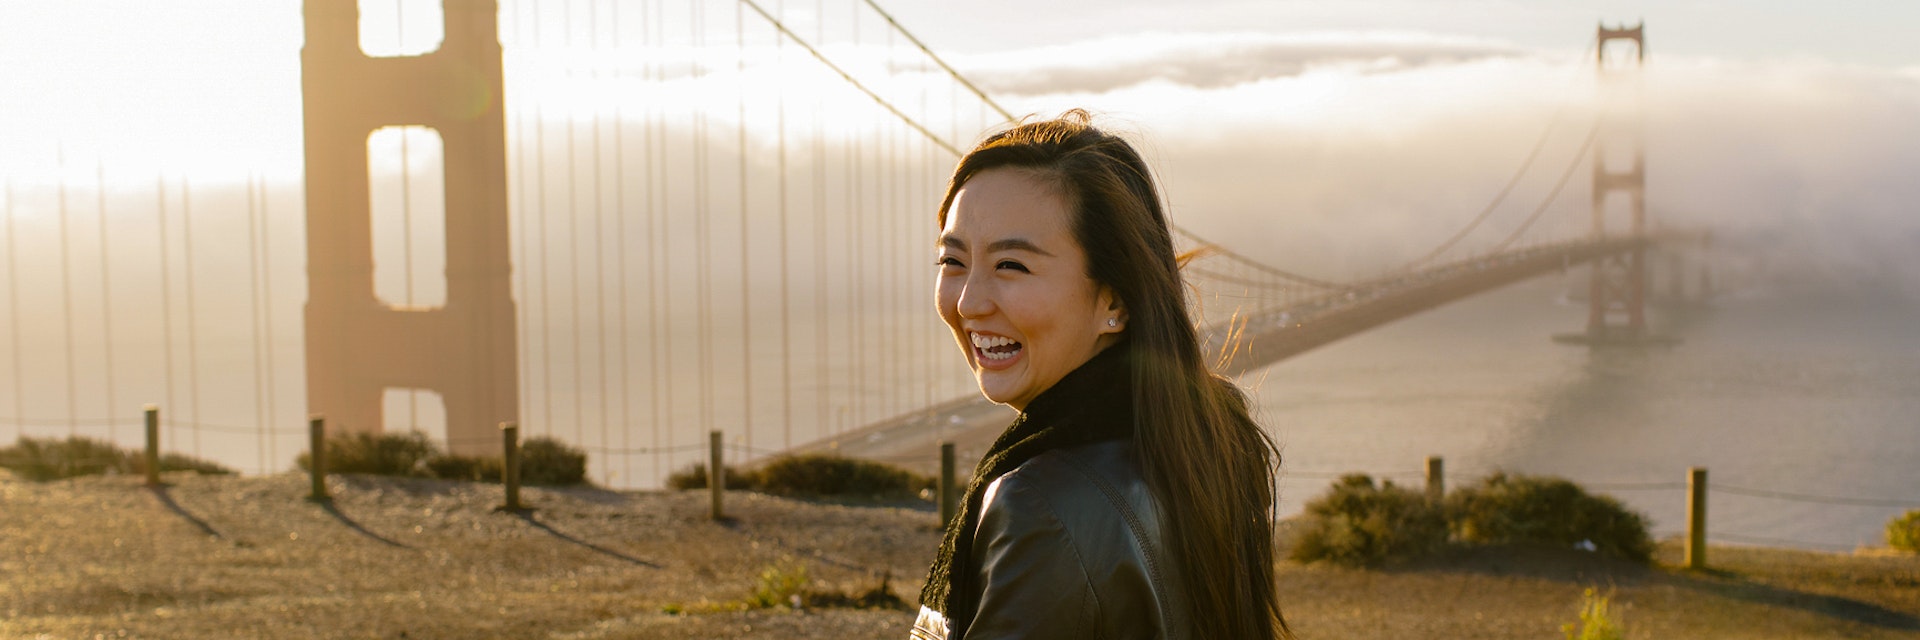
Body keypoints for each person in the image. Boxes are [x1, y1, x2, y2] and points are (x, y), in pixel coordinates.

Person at [914, 110, 1291, 640]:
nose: (969, 302)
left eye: (1011, 266)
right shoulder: (1208, 442)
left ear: (1113, 298)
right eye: (952, 262)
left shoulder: (1039, 507)